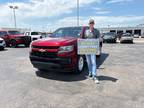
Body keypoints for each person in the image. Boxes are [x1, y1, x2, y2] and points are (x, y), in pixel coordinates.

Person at [81, 19, 99, 84]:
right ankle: (90, 72)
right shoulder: (86, 31)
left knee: (93, 62)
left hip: (93, 49)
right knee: (88, 62)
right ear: (89, 24)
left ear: (94, 24)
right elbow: (83, 39)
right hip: (87, 49)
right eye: (90, 23)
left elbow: (98, 40)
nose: (91, 24)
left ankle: (94, 76)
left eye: (92, 23)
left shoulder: (96, 31)